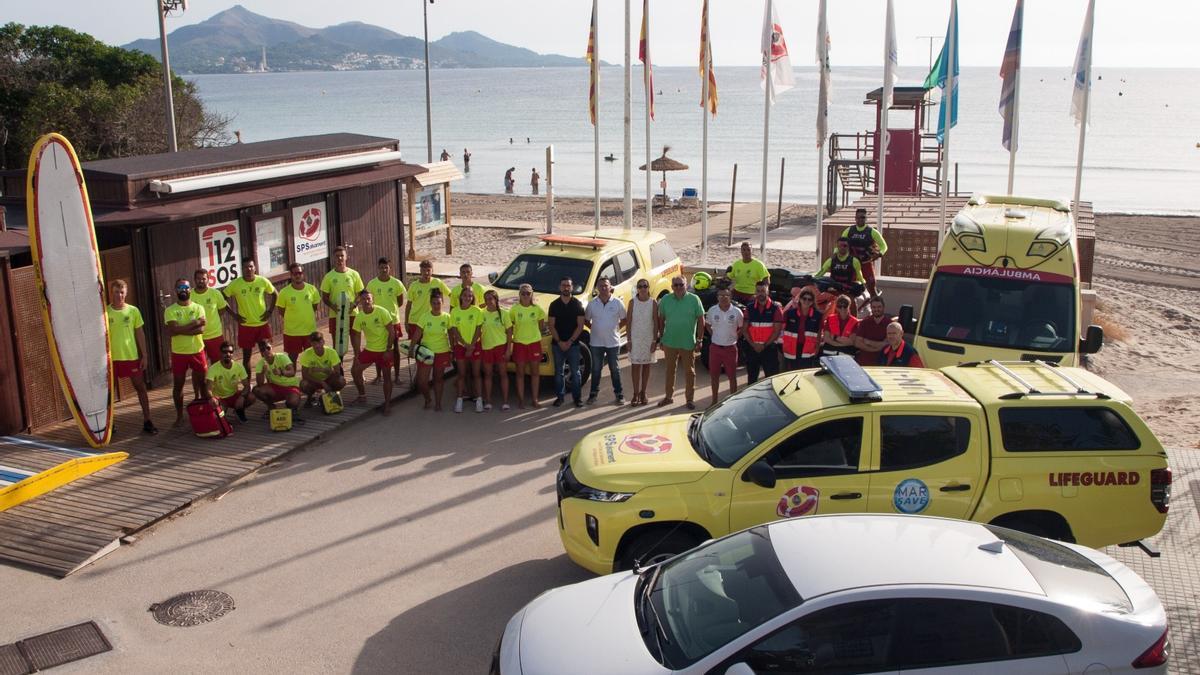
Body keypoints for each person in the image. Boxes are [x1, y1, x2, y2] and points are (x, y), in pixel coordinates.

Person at [106, 279, 156, 434]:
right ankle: (108, 424)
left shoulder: (133, 311)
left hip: (131, 357)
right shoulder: (105, 312)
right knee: (109, 393)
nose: (119, 295)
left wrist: (145, 355)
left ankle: (147, 420)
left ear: (126, 293)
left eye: (122, 292)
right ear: (111, 293)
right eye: (116, 292)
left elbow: (140, 333)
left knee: (140, 387)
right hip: (111, 359)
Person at [657, 275, 705, 410]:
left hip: (688, 342)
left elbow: (701, 321)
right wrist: (661, 338)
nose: (678, 287)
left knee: (690, 372)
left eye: (681, 284)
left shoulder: (694, 299)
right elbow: (661, 320)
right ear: (672, 287)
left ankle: (689, 399)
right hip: (669, 342)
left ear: (686, 285)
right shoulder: (666, 300)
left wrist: (700, 339)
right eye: (675, 285)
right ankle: (668, 397)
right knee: (670, 371)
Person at [163, 277, 207, 425]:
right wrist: (194, 323)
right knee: (178, 385)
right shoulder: (170, 310)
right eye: (180, 288)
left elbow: (201, 330)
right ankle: (180, 416)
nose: (183, 290)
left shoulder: (199, 307)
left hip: (197, 350)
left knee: (203, 383)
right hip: (179, 353)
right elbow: (172, 331)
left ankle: (205, 410)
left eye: (186, 288)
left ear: (190, 289)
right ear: (176, 290)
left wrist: (180, 329)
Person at [223, 258, 277, 372]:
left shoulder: (262, 281)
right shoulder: (235, 284)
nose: (248, 269)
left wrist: (270, 311)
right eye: (245, 267)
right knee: (247, 357)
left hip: (262, 324)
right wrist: (234, 315)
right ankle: (247, 384)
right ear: (242, 269)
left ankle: (272, 379)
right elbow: (222, 299)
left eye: (251, 266)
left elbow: (275, 294)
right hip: (246, 326)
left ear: (255, 268)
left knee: (267, 355)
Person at [350, 289, 397, 415]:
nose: (366, 301)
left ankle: (387, 404)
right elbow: (356, 335)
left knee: (387, 377)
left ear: (373, 300)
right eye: (363, 299)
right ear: (360, 301)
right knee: (355, 370)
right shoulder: (359, 316)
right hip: (370, 349)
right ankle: (362, 395)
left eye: (368, 299)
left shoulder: (382, 312)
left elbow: (392, 332)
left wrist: (388, 349)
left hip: (384, 350)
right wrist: (357, 353)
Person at [585, 278, 627, 405]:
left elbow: (624, 319)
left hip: (613, 342)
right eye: (601, 286)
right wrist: (595, 328)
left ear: (610, 287)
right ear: (597, 288)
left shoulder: (618, 303)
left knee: (614, 369)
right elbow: (586, 320)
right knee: (596, 369)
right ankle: (593, 394)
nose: (603, 288)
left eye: (606, 286)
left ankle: (619, 395)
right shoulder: (592, 304)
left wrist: (616, 328)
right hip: (596, 343)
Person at [410, 289, 453, 411]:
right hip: (426, 353)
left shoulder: (447, 317)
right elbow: (417, 334)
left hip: (442, 351)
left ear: (442, 303)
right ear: (430, 304)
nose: (436, 306)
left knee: (438, 379)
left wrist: (452, 350)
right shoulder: (424, 317)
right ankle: (428, 398)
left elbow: (451, 335)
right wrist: (411, 348)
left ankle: (438, 403)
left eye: (438, 303)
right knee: (421, 381)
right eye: (434, 303)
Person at [319, 246, 365, 355]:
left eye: (342, 256)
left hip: (352, 314)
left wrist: (353, 305)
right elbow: (324, 297)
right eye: (337, 256)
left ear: (346, 257)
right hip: (336, 315)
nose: (340, 258)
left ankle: (357, 370)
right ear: (333, 258)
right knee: (338, 346)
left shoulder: (354, 274)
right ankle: (339, 370)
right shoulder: (328, 277)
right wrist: (333, 306)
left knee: (356, 345)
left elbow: (361, 293)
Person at [367, 257, 407, 379]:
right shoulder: (372, 284)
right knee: (378, 349)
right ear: (378, 268)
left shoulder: (396, 283)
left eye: (386, 267)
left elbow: (400, 302)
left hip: (393, 320)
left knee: (395, 348)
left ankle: (397, 376)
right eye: (381, 268)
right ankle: (378, 376)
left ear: (390, 268)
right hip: (378, 322)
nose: (384, 270)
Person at [548, 276, 586, 408]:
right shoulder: (554, 305)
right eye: (563, 285)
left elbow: (580, 325)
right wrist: (559, 342)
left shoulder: (577, 304)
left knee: (575, 373)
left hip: (573, 345)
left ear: (572, 287)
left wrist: (569, 341)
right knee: (559, 372)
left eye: (568, 285)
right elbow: (551, 325)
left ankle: (577, 398)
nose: (566, 287)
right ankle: (560, 397)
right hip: (557, 344)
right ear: (560, 287)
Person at [510, 283, 547, 408]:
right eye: (523, 293)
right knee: (520, 373)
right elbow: (511, 326)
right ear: (519, 294)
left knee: (535, 373)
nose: (525, 295)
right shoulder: (514, 309)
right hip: (519, 343)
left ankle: (535, 399)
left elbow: (541, 326)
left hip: (534, 344)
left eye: (528, 293)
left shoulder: (537, 309)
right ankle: (521, 400)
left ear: (532, 294)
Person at [276, 263, 321, 364]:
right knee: (292, 361)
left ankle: (310, 380)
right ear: (291, 275)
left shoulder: (312, 289)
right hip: (292, 332)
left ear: (303, 274)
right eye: (295, 273)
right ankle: (292, 380)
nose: (297, 275)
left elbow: (314, 307)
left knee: (311, 360)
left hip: (309, 332)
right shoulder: (284, 292)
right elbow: (281, 311)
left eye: (300, 273)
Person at [450, 287, 485, 413]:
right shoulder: (454, 311)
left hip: (475, 345)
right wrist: (465, 344)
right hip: (461, 346)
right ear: (461, 297)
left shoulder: (477, 311)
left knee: (476, 374)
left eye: (470, 296)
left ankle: (479, 400)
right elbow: (454, 330)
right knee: (461, 374)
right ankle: (459, 400)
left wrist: (471, 345)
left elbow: (478, 329)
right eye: (465, 295)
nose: (467, 298)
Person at [705, 287, 743, 402]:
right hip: (715, 348)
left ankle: (732, 403)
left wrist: (735, 336)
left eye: (726, 295)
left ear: (730, 297)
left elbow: (742, 327)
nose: (723, 298)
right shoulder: (712, 310)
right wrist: (714, 334)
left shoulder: (737, 312)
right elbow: (707, 325)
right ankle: (714, 401)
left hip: (730, 349)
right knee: (714, 377)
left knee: (732, 377)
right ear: (717, 297)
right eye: (720, 295)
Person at [742, 280, 784, 384]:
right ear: (755, 292)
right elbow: (745, 329)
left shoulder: (776, 308)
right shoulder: (749, 307)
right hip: (752, 348)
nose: (760, 293)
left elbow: (777, 331)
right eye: (758, 291)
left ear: (768, 292)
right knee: (752, 380)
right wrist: (753, 344)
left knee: (772, 380)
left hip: (769, 349)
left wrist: (763, 345)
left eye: (763, 291)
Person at [842, 207, 889, 299]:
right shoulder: (849, 231)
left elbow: (884, 246)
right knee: (849, 289)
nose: (860, 219)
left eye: (862, 217)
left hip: (866, 264)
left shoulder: (872, 232)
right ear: (855, 218)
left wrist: (880, 254)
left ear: (866, 219)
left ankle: (875, 308)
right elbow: (839, 246)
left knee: (872, 288)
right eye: (858, 217)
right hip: (853, 265)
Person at [626, 279, 658, 406]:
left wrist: (655, 340)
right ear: (637, 289)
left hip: (648, 339)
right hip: (635, 339)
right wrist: (628, 340)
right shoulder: (632, 302)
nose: (643, 288)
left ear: (648, 287)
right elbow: (628, 323)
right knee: (635, 366)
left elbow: (656, 322)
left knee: (646, 366)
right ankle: (635, 393)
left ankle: (643, 392)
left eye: (645, 286)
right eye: (640, 286)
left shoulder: (653, 302)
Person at [479, 290, 513, 411]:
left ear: (496, 299)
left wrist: (508, 349)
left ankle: (505, 401)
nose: (488, 301)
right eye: (486, 299)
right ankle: (488, 401)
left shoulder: (504, 313)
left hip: (501, 347)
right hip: (486, 347)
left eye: (491, 298)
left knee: (503, 374)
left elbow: (509, 332)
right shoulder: (481, 313)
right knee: (487, 375)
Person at [205, 341, 255, 422]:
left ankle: (238, 410)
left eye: (230, 352)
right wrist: (212, 398)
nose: (228, 354)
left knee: (251, 397)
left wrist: (242, 396)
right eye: (225, 352)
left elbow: (246, 385)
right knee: (219, 418)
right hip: (220, 398)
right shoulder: (213, 368)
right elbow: (208, 389)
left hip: (233, 395)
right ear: (220, 353)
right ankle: (224, 410)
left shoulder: (238, 366)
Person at [252, 340, 303, 420]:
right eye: (262, 349)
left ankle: (292, 409)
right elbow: (260, 384)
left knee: (292, 402)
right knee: (256, 390)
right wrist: (262, 372)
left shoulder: (281, 356)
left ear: (272, 348)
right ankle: (271, 407)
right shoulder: (261, 363)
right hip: (275, 387)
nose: (266, 351)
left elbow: (292, 372)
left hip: (290, 386)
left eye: (268, 348)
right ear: (261, 352)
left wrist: (282, 372)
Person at [191, 268, 230, 365]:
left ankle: (216, 380)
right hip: (197, 336)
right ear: (194, 280)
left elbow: (222, 309)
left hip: (215, 335)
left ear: (208, 279)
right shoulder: (190, 295)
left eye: (203, 279)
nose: (201, 281)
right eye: (198, 279)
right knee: (199, 366)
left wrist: (212, 319)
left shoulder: (215, 293)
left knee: (217, 363)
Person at [405, 259, 450, 342]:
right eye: (423, 270)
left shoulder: (437, 282)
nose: (426, 273)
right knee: (415, 347)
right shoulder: (414, 285)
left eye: (428, 270)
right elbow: (408, 305)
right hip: (415, 321)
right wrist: (406, 322)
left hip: (431, 320)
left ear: (432, 271)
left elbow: (451, 295)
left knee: (429, 346)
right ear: (420, 271)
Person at [298, 332, 346, 403]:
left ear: (323, 342)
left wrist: (323, 370)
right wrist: (322, 382)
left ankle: (332, 394)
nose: (317, 346)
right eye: (314, 343)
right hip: (314, 380)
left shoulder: (331, 352)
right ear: (311, 344)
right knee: (303, 384)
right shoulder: (306, 354)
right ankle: (310, 397)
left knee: (341, 380)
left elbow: (337, 373)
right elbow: (304, 375)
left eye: (319, 342)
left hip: (328, 378)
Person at [781, 286, 822, 369]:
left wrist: (817, 347)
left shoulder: (817, 315)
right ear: (800, 299)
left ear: (812, 302)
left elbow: (819, 332)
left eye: (809, 299)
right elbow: (782, 329)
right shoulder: (790, 313)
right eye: (804, 298)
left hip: (808, 348)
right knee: (791, 373)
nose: (806, 301)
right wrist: (783, 344)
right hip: (791, 348)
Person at [854, 298, 893, 366]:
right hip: (863, 362)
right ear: (871, 308)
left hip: (882, 363)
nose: (876, 309)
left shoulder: (890, 324)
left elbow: (889, 344)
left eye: (879, 307)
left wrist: (868, 342)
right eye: (874, 307)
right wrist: (877, 347)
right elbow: (857, 343)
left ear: (883, 307)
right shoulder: (864, 322)